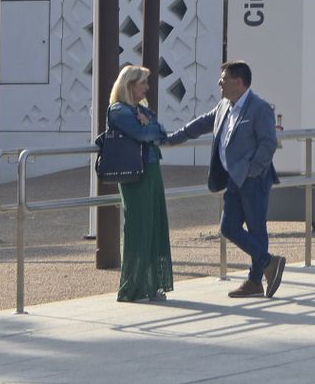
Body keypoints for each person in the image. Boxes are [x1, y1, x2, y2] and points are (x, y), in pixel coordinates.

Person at [166, 60, 286, 298]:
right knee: (228, 227)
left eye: (223, 79)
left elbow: (268, 143)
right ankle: (268, 262)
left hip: (253, 179)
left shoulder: (259, 108)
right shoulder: (224, 105)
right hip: (233, 179)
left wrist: (252, 171)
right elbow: (201, 123)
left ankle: (255, 281)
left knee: (256, 229)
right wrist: (170, 138)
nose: (219, 83)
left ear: (238, 82)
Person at [106, 64, 173, 303]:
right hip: (135, 174)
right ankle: (132, 289)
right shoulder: (119, 110)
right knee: (139, 227)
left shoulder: (140, 110)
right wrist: (149, 126)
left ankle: (150, 285)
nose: (147, 87)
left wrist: (150, 125)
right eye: (143, 82)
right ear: (130, 85)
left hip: (151, 170)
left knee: (154, 224)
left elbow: (160, 131)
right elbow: (145, 134)